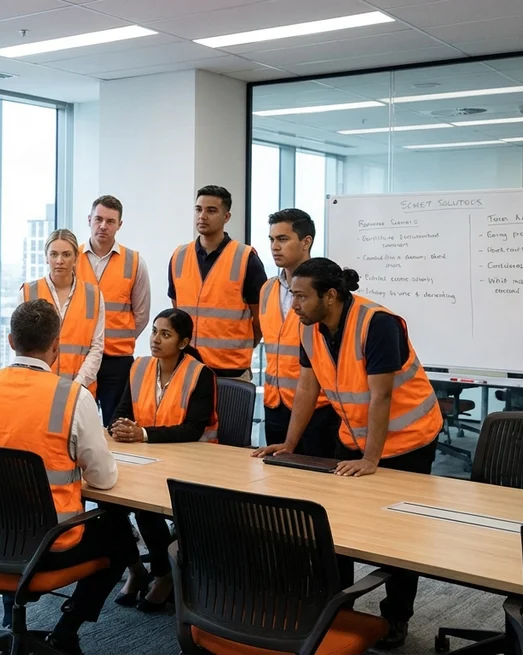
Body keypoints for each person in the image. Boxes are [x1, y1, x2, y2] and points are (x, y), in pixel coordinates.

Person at [253, 257, 441, 649]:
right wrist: (290, 443)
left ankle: (395, 618)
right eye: (293, 295)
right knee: (335, 528)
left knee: (397, 537)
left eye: (302, 296)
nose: (295, 304)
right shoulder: (309, 328)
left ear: (331, 295)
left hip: (407, 440)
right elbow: (307, 388)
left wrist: (372, 459)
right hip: (353, 438)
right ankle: (339, 611)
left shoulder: (378, 323)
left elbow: (381, 395)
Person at [0, 299, 126, 655]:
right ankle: (65, 631)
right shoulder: (72, 398)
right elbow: (104, 479)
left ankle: (10, 620)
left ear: (9, 341)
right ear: (56, 347)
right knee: (120, 536)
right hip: (47, 546)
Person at [108, 308, 217, 613]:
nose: (155, 339)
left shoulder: (200, 374)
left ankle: (164, 575)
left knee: (145, 509)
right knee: (108, 505)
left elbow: (193, 428)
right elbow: (121, 410)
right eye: (154, 331)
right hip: (145, 460)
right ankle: (134, 568)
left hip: (192, 463)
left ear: (183, 342)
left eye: (165, 334)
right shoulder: (139, 368)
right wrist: (120, 427)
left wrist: (141, 433)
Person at [259, 209, 339, 457]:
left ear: (306, 242)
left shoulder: (326, 292)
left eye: (283, 239)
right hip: (276, 403)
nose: (275, 247)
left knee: (318, 485)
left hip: (320, 407)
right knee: (278, 481)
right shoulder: (267, 288)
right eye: (271, 239)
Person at [167, 185, 267, 381]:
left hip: (230, 371)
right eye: (198, 209)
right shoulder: (179, 256)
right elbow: (176, 311)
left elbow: (260, 318)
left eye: (211, 211)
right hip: (188, 368)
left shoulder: (246, 258)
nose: (202, 216)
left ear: (226, 217)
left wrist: (243, 344)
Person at [77, 195, 151, 427]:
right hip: (80, 357)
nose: (103, 226)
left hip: (116, 361)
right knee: (78, 424)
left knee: (116, 424)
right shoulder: (71, 258)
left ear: (119, 225)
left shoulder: (134, 262)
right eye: (98, 219)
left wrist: (121, 337)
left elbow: (141, 313)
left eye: (110, 221)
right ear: (89, 219)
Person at [23, 228, 105, 392]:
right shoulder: (28, 292)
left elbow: (97, 346)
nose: (59, 260)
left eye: (66, 254)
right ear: (46, 257)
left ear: (76, 258)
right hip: (37, 388)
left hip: (80, 389)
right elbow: (22, 346)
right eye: (54, 254)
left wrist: (79, 384)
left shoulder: (93, 295)